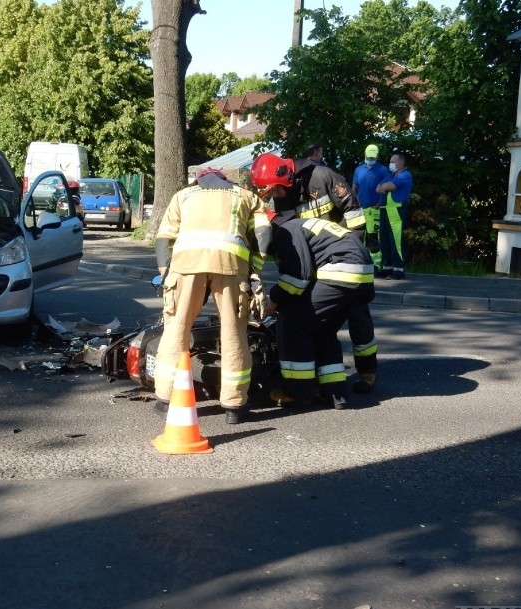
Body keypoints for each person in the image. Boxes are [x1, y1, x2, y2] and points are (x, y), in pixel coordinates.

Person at [250, 153, 376, 409]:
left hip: (338, 267)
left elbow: (297, 277)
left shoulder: (321, 180)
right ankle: (334, 392)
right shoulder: (284, 203)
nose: (277, 194)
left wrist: (275, 299)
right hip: (357, 267)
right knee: (323, 327)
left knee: (294, 322)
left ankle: (299, 391)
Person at [153, 168, 271, 425]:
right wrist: (255, 270)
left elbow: (163, 240)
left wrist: (165, 274)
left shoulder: (182, 196)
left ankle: (165, 399)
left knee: (177, 328)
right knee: (233, 332)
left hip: (186, 265)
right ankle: (234, 407)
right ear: (226, 181)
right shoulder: (246, 196)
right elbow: (264, 235)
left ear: (199, 181)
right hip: (231, 266)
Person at [352, 144, 389, 272]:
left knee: (373, 237)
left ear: (377, 156)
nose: (371, 159)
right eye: (369, 157)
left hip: (374, 209)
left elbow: (386, 189)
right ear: (365, 154)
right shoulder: (359, 170)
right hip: (361, 208)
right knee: (358, 236)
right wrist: (353, 202)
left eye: (373, 157)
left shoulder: (383, 170)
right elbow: (354, 188)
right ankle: (359, 262)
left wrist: (379, 203)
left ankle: (376, 265)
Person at [375, 151, 413, 279]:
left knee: (395, 241)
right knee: (384, 240)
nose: (390, 164)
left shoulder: (405, 175)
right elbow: (378, 187)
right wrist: (387, 187)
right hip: (385, 210)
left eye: (393, 161)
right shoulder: (391, 175)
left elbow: (389, 186)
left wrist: (387, 187)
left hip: (396, 212)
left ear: (401, 162)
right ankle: (387, 268)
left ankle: (398, 269)